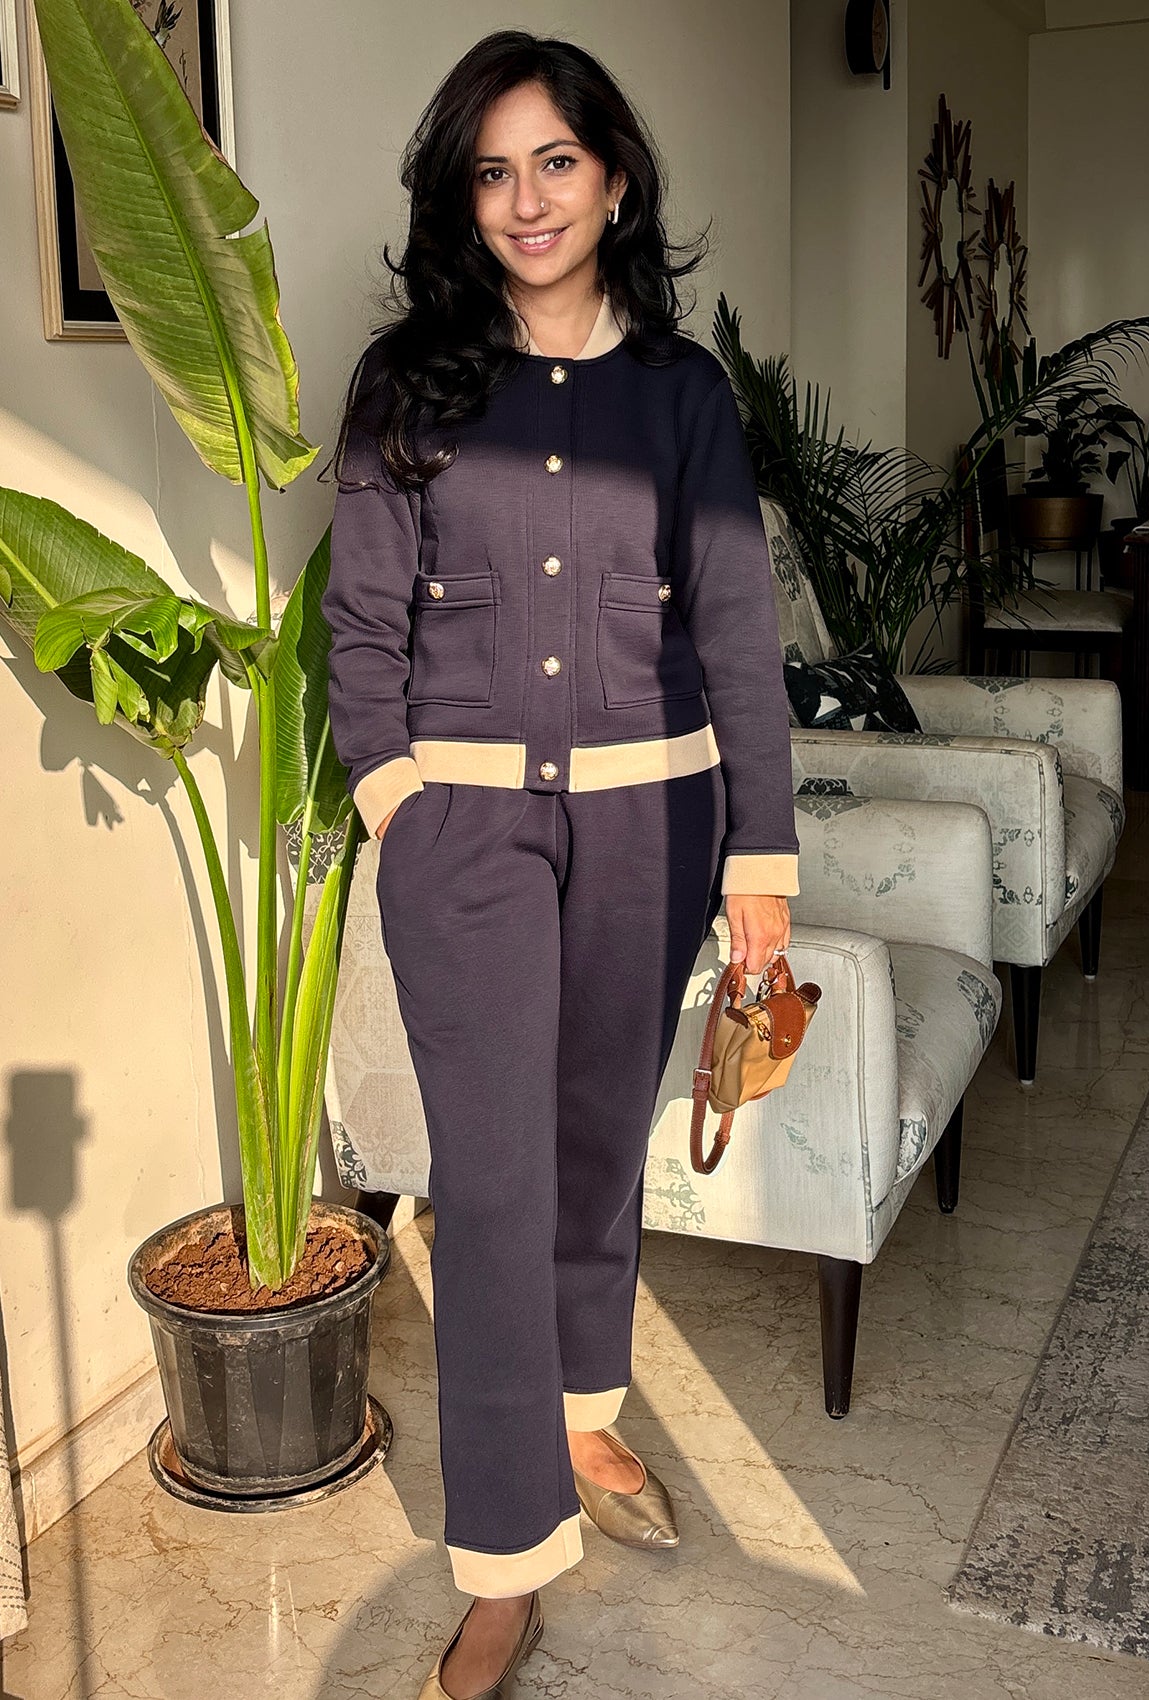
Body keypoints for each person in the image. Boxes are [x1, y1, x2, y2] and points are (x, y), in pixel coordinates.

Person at [320, 29, 799, 1700]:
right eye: (492, 171)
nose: (526, 200)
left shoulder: (682, 397)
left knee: (599, 1147)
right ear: (463, 198)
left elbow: (736, 631)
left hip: (656, 823)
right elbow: (361, 621)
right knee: (493, 1187)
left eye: (557, 163)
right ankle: (504, 1561)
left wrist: (762, 858)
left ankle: (586, 1418)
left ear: (614, 180)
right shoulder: (407, 382)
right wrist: (397, 798)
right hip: (462, 834)